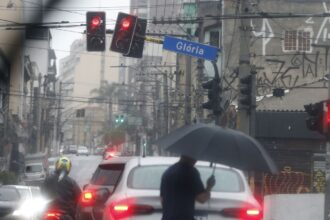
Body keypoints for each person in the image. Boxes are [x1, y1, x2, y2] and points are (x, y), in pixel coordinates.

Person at [160, 155, 216, 220]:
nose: (196, 160)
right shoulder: (191, 172)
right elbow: (202, 199)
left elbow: (162, 200)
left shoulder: (168, 172)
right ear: (191, 156)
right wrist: (209, 186)